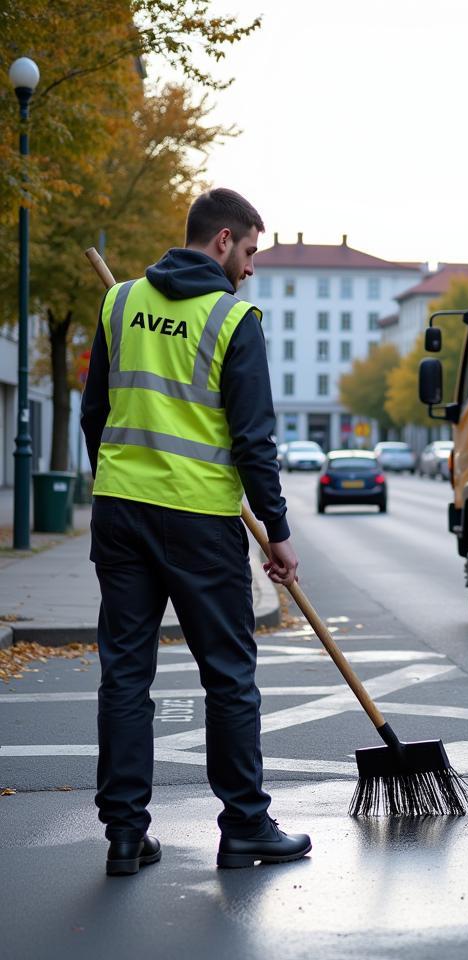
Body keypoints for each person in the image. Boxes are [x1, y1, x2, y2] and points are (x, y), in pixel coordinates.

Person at [81, 188, 312, 874]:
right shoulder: (233, 319)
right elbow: (254, 440)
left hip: (121, 513)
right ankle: (245, 826)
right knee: (229, 677)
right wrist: (278, 532)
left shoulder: (120, 303)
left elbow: (95, 413)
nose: (251, 268)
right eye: (249, 251)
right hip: (199, 522)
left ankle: (125, 834)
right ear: (221, 242)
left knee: (125, 675)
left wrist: (120, 480)